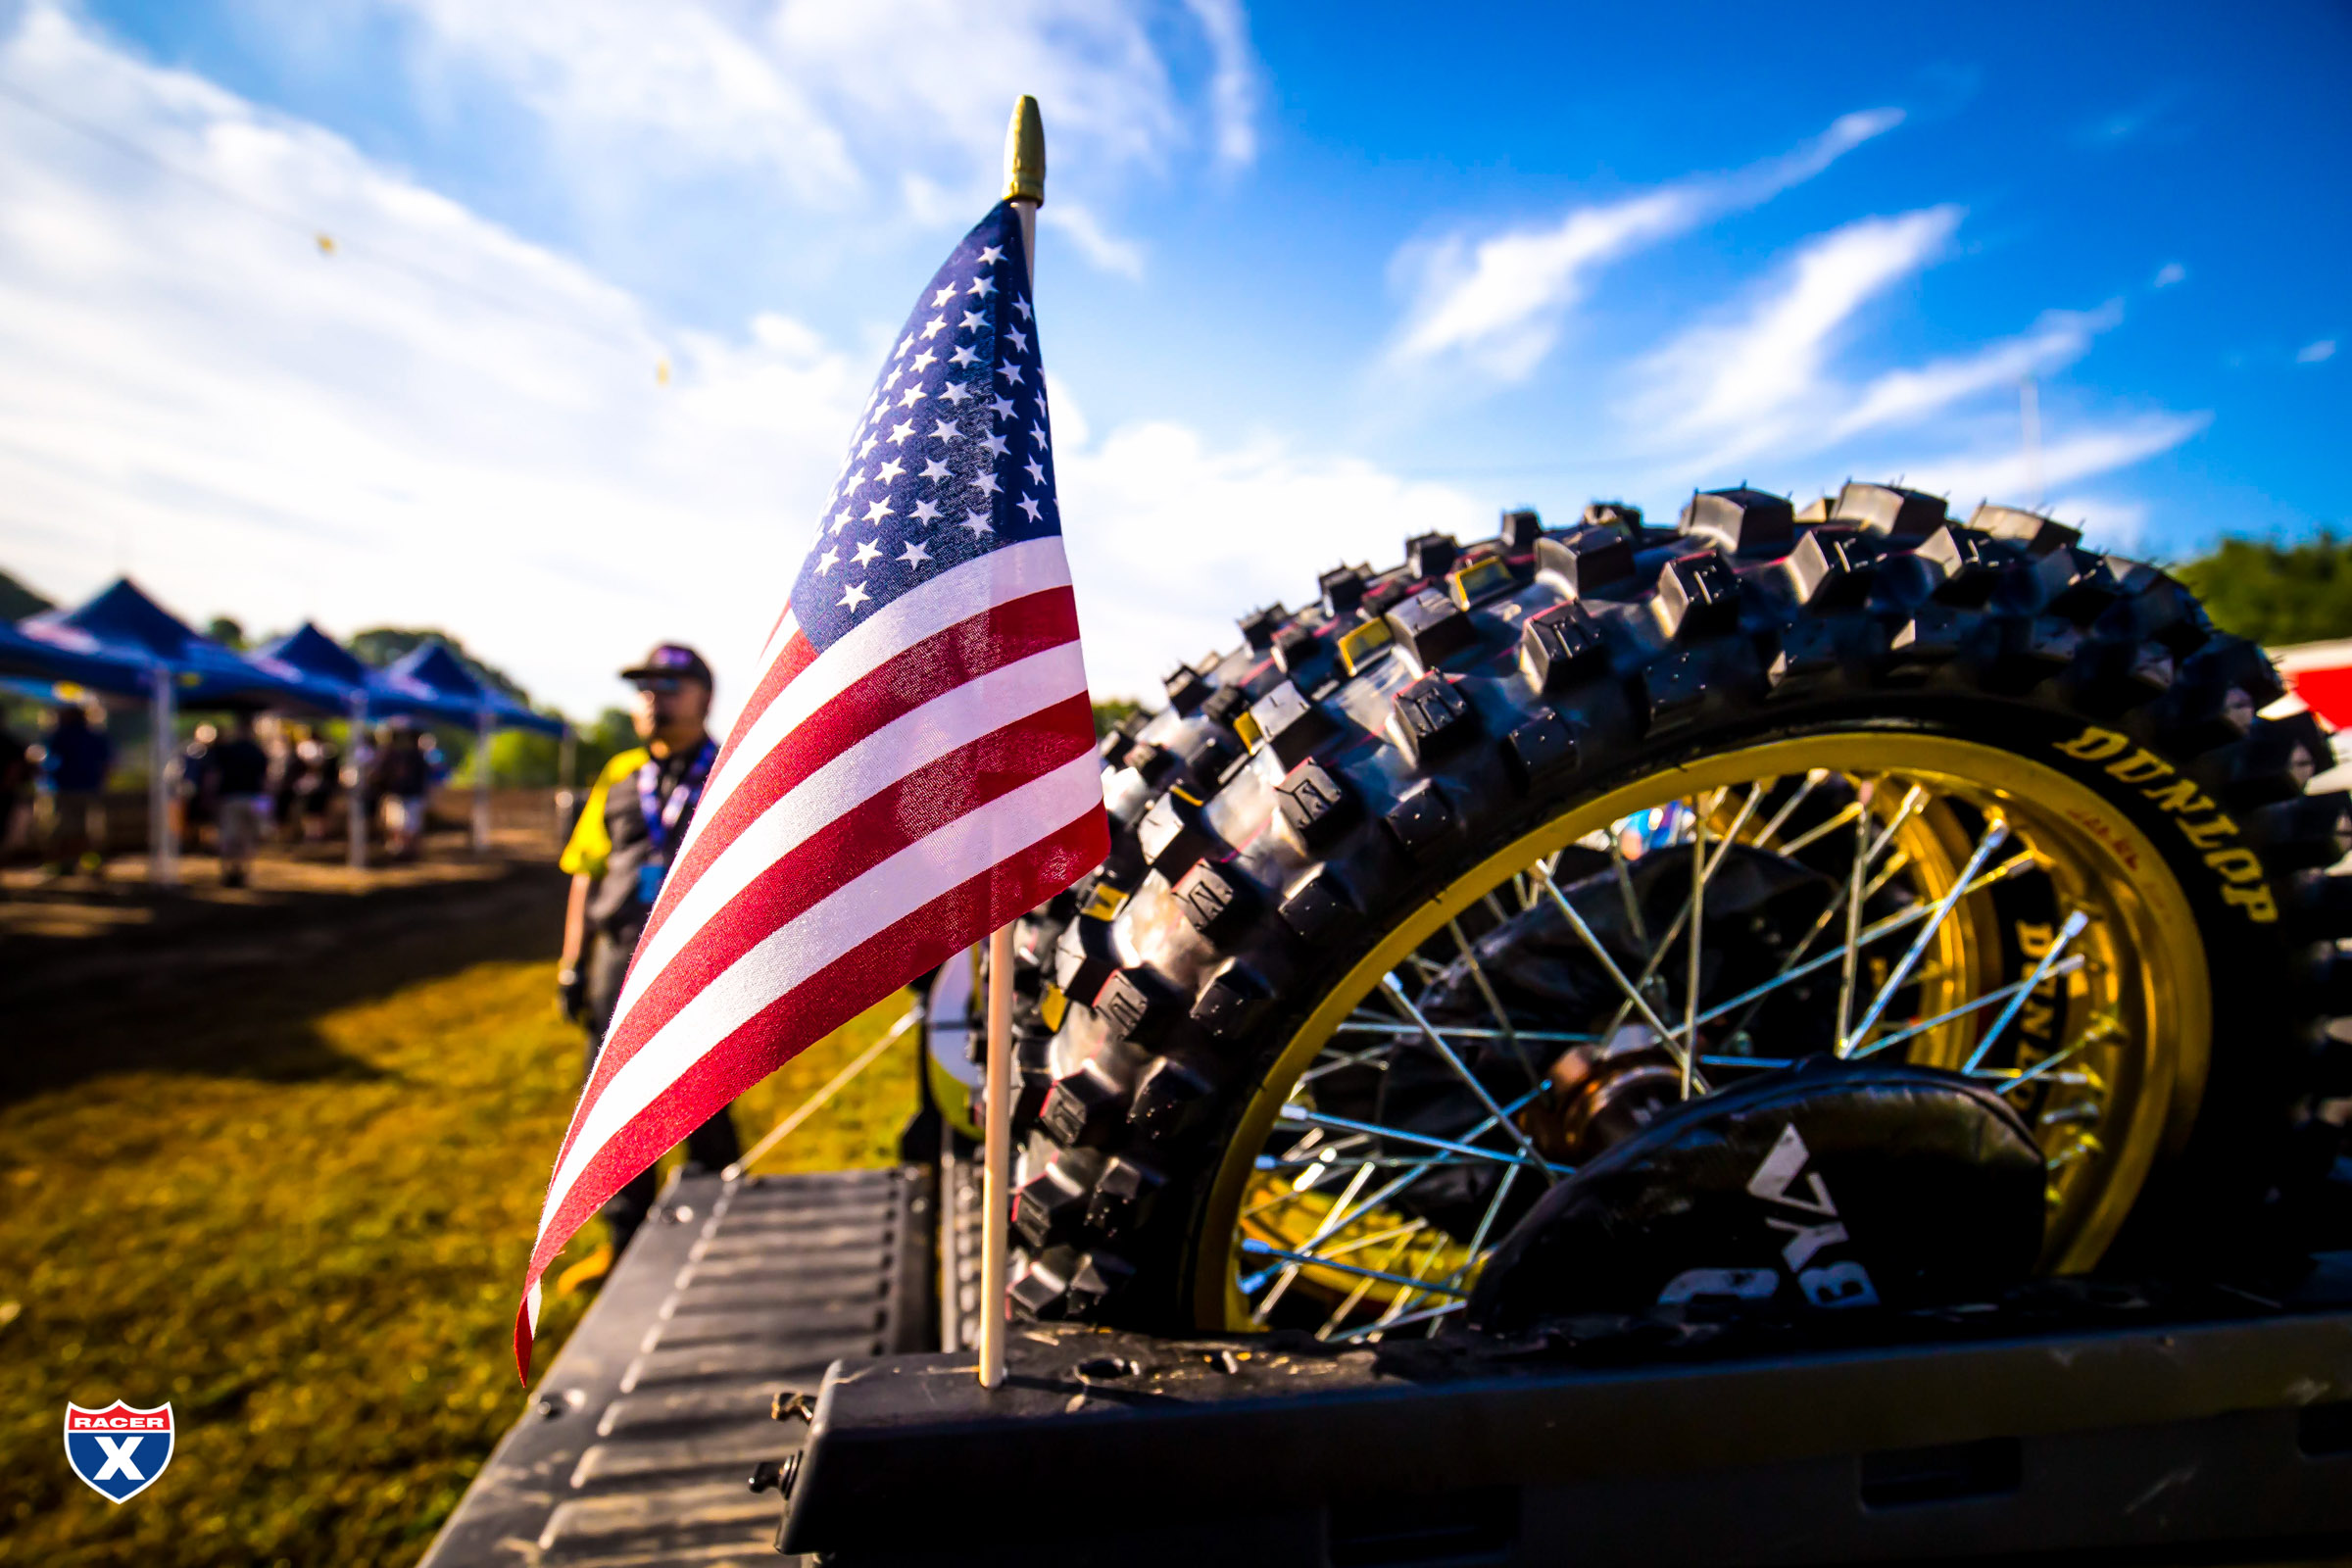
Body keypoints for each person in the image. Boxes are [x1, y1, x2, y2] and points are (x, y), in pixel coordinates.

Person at [554, 643, 739, 1283]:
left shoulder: (732, 770)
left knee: (702, 1104)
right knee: (613, 1113)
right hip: (616, 960)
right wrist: (571, 964)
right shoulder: (619, 775)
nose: (653, 698)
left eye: (670, 685)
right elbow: (585, 872)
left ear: (705, 699)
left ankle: (720, 1238)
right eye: (644, 687)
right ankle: (623, 1246)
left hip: (698, 970)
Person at [36, 703, 111, 877]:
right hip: (90, 788)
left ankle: (63, 865)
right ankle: (88, 863)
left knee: (61, 827)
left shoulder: (59, 735)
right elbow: (107, 764)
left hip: (64, 788)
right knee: (89, 828)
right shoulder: (96, 736)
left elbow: (47, 762)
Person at [209, 712, 271, 889]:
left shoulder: (227, 750)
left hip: (231, 798)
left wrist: (211, 797)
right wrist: (266, 808)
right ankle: (243, 872)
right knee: (247, 839)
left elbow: (214, 776)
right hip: (252, 798)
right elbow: (266, 783)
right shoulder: (258, 752)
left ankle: (229, 872)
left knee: (230, 838)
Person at [371, 721, 430, 860]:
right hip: (396, 794)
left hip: (411, 794)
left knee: (410, 825)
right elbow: (381, 774)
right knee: (395, 824)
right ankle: (399, 848)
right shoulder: (389, 754)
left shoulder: (416, 756)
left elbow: (422, 777)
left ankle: (409, 850)